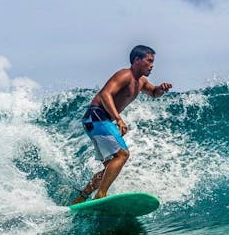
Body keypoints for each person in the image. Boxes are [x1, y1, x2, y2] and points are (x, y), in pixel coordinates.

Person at [71, 45, 172, 204]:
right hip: (97, 116)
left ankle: (80, 199)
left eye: (153, 62)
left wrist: (161, 89)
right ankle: (101, 194)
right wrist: (118, 119)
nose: (152, 65)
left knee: (110, 166)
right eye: (149, 61)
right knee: (123, 154)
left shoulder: (141, 82)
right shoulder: (125, 75)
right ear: (137, 60)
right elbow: (105, 94)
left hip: (94, 120)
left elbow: (153, 93)